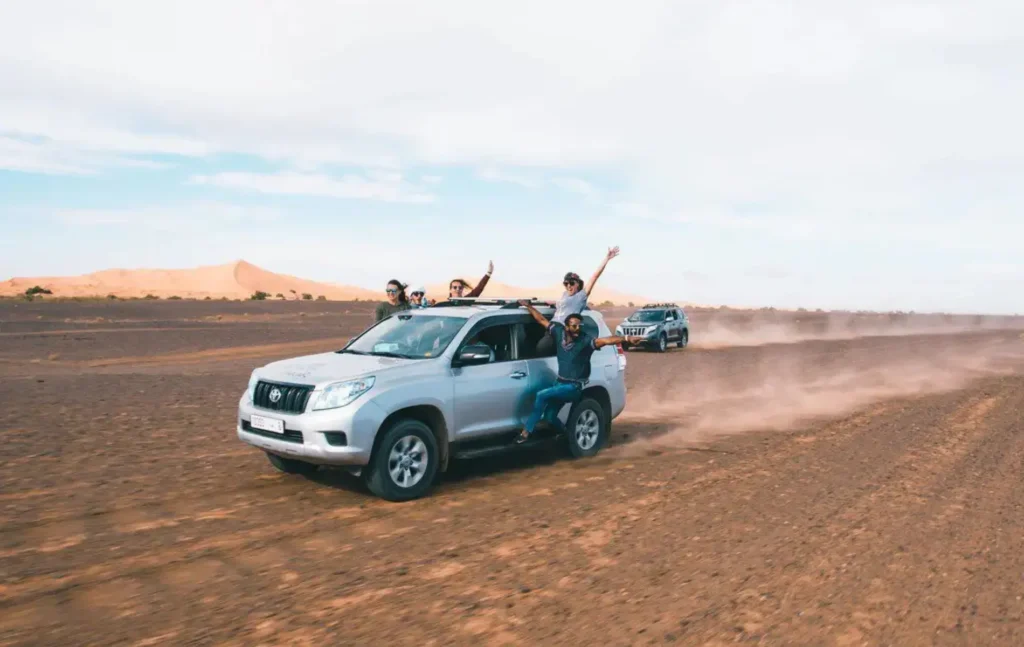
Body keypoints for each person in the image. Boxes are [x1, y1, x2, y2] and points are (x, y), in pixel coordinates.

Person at [515, 299, 642, 443]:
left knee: (541, 395)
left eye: (579, 326)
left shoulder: (585, 341)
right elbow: (541, 319)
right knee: (550, 417)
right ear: (566, 327)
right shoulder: (558, 333)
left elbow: (606, 340)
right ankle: (566, 435)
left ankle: (525, 433)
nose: (577, 329)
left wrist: (626, 338)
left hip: (572, 387)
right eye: (574, 326)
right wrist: (528, 306)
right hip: (559, 384)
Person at [536, 246, 620, 354]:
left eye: (571, 283)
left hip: (562, 331)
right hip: (551, 328)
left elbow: (594, 277)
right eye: (566, 284)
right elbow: (558, 304)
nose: (568, 286)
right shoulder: (565, 295)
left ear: (578, 284)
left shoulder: (581, 296)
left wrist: (606, 259)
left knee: (540, 349)